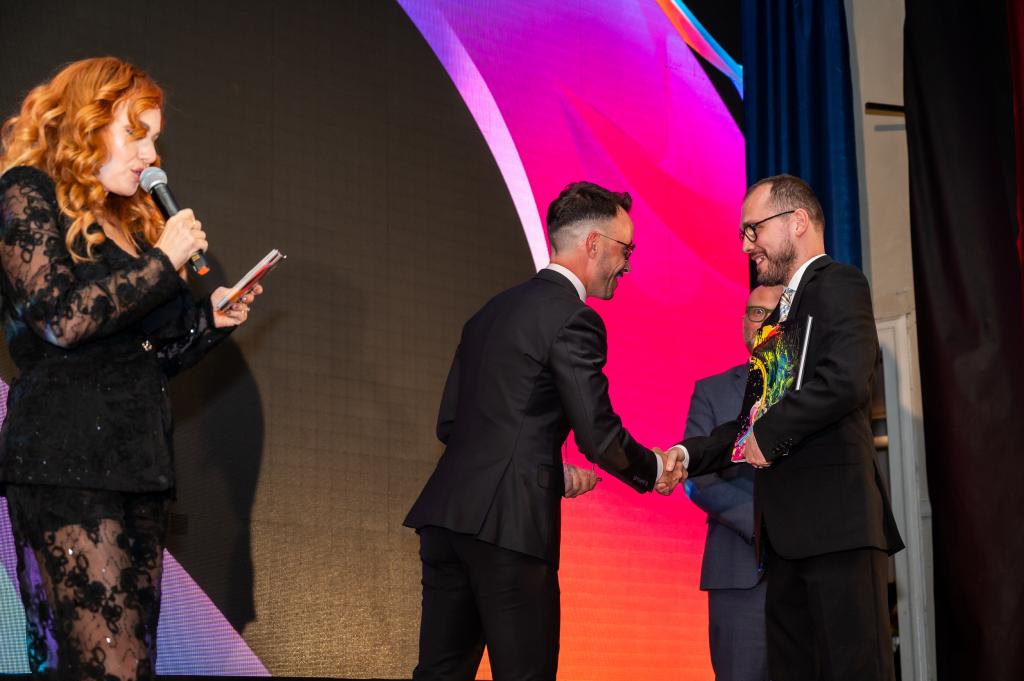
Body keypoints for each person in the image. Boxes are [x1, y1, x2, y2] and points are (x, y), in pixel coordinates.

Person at [0, 57, 262, 680]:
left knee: (132, 665)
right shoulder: (26, 192)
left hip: (138, 470)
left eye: (154, 138)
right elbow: (60, 319)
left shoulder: (127, 225)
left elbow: (142, 359)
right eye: (136, 133)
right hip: (65, 464)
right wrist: (163, 263)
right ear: (85, 126)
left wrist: (209, 324)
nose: (150, 154)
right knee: (104, 666)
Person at [403, 181, 685, 681]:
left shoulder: (488, 313)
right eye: (627, 250)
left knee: (439, 674)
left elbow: (451, 425)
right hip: (509, 529)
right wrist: (655, 467)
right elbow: (598, 436)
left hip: (446, 519)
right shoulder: (573, 319)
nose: (627, 265)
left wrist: (548, 470)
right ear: (593, 244)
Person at [681, 174, 904, 681]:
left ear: (797, 221)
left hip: (837, 530)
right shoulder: (780, 316)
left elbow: (846, 380)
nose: (746, 245)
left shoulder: (839, 282)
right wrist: (685, 455)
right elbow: (751, 424)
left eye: (753, 229)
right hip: (784, 543)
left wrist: (768, 433)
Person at [683, 285, 782, 681]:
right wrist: (761, 522)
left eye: (776, 313)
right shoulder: (711, 392)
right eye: (757, 313)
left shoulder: (817, 391)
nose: (766, 322)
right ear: (744, 324)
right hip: (740, 573)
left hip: (809, 572)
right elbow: (697, 476)